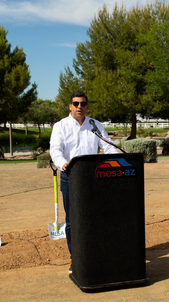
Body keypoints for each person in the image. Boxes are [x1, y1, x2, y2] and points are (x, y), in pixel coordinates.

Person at [50, 91, 119, 274]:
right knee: (73, 220)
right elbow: (55, 151)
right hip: (70, 177)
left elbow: (109, 147)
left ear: (87, 106)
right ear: (70, 106)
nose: (79, 107)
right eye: (76, 103)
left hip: (94, 178)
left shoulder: (95, 125)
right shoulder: (60, 126)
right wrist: (62, 164)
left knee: (95, 217)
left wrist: (119, 159)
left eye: (83, 104)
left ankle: (95, 254)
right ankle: (77, 259)